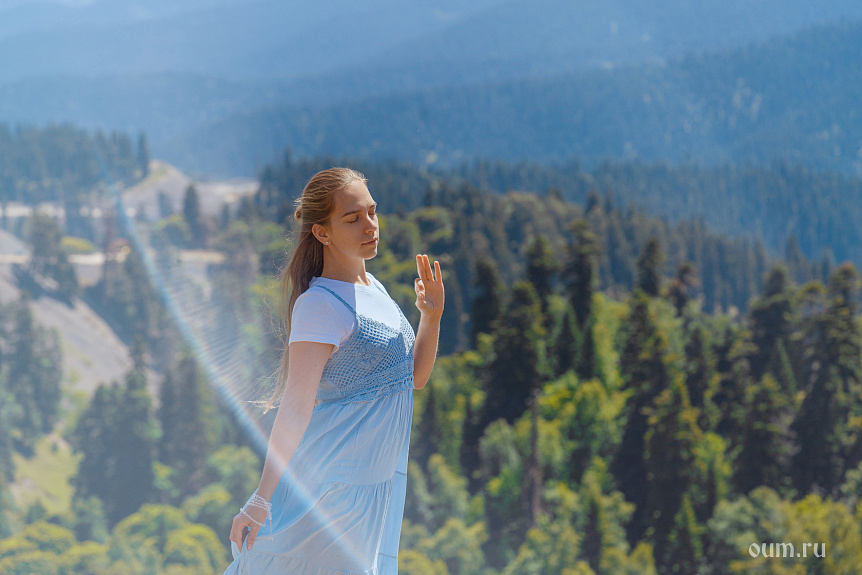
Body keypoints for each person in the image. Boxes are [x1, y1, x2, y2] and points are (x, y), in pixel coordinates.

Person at [223, 167, 444, 574]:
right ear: (322, 233)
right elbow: (295, 406)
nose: (370, 226)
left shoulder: (373, 288)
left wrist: (430, 317)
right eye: (353, 217)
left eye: (372, 212)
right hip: (333, 491)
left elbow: (412, 379)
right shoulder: (320, 305)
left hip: (372, 488)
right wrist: (260, 499)